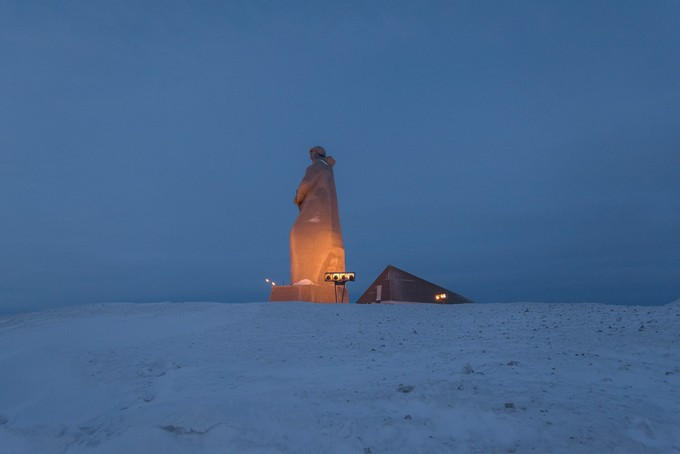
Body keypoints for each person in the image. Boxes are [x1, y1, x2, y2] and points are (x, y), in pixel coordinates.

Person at [290, 146, 345, 285]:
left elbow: (306, 183)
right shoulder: (328, 169)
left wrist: (298, 197)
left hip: (315, 212)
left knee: (297, 234)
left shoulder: (316, 167)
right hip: (328, 218)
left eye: (311, 153)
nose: (310, 156)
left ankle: (305, 280)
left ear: (316, 154)